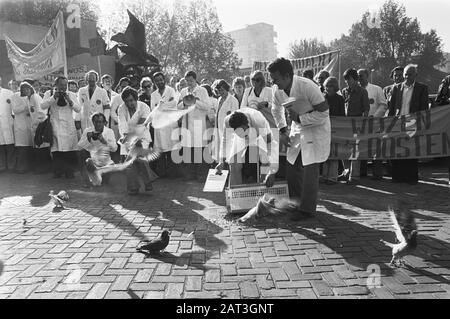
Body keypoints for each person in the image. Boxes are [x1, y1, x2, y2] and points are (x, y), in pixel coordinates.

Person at [269, 58, 331, 220]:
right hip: (296, 131)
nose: (273, 82)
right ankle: (295, 205)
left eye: (275, 78)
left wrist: (301, 118)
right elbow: (276, 110)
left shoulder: (308, 86)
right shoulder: (277, 91)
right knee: (292, 167)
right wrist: (282, 130)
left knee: (310, 170)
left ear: (287, 76)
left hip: (316, 130)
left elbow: (324, 113)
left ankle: (307, 210)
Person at [215, 108, 278, 187]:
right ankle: (235, 195)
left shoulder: (259, 121)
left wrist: (272, 171)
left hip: (258, 134)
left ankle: (263, 191)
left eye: (244, 130)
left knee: (266, 162)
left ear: (247, 124)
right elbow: (225, 141)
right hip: (240, 139)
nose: (244, 133)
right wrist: (221, 161)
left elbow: (271, 144)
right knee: (234, 163)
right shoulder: (228, 121)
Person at [388, 64, 429, 184]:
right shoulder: (396, 88)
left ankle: (411, 177)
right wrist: (390, 122)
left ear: (416, 75)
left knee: (411, 150)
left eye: (409, 74)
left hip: (412, 122)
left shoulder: (422, 88)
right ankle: (397, 177)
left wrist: (421, 124)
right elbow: (392, 108)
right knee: (397, 149)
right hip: (397, 122)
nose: (406, 76)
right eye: (405, 74)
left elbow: (424, 108)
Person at [41, 76, 81, 178]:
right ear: (56, 85)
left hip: (68, 126)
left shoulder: (71, 94)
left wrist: (69, 101)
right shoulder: (49, 93)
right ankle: (58, 172)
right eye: (61, 85)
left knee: (69, 150)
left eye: (65, 85)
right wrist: (53, 98)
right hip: (56, 125)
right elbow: (42, 106)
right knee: (57, 150)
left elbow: (78, 109)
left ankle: (69, 172)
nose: (63, 87)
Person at [117, 86, 153, 194]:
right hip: (127, 136)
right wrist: (127, 137)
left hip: (142, 136)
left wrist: (135, 139)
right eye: (127, 101)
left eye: (132, 100)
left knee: (139, 156)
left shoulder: (144, 107)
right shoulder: (121, 108)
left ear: (136, 98)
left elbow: (142, 125)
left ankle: (148, 183)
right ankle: (133, 187)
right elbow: (122, 124)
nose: (130, 103)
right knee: (129, 161)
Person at [145, 72, 180, 178]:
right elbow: (153, 109)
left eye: (161, 79)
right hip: (159, 125)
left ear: (164, 79)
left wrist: (160, 106)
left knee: (171, 149)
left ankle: (172, 173)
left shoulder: (171, 90)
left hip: (170, 124)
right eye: (157, 81)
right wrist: (161, 106)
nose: (159, 82)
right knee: (160, 149)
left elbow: (173, 104)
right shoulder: (153, 95)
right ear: (154, 82)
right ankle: (162, 173)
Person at [177, 71, 211, 181]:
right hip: (186, 123)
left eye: (191, 80)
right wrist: (185, 102)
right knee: (188, 149)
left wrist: (195, 101)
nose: (189, 83)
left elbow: (207, 107)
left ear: (195, 80)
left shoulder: (202, 90)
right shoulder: (183, 91)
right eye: (187, 81)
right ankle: (190, 174)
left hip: (198, 124)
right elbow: (178, 107)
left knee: (199, 149)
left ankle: (201, 174)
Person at [341, 68, 370, 184]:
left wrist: (363, 123)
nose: (347, 81)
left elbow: (366, 109)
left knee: (355, 150)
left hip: (357, 124)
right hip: (345, 124)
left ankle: (354, 176)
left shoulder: (363, 91)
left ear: (356, 79)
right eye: (346, 80)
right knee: (344, 150)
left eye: (349, 79)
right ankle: (346, 172)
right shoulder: (344, 91)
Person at [358, 68, 388, 180]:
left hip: (375, 124)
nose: (359, 77)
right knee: (361, 149)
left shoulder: (376, 89)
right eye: (358, 75)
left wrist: (374, 117)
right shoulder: (354, 89)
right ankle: (361, 173)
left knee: (376, 150)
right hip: (360, 125)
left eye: (361, 75)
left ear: (367, 75)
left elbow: (383, 105)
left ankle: (377, 174)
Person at [78, 112, 117, 187]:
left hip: (106, 162)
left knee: (104, 182)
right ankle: (87, 179)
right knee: (82, 154)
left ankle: (100, 178)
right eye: (95, 122)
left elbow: (114, 149)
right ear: (93, 122)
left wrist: (105, 141)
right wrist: (88, 139)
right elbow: (79, 147)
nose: (97, 124)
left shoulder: (109, 131)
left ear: (104, 122)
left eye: (100, 122)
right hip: (92, 161)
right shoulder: (87, 131)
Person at [11, 82, 42, 173]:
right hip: (21, 125)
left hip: (31, 124)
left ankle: (31, 167)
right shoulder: (16, 95)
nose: (26, 90)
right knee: (22, 148)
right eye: (23, 89)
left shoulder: (34, 96)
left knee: (31, 147)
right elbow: (15, 110)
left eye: (28, 88)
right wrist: (26, 107)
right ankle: (21, 168)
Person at [321, 77, 345, 185]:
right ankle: (324, 176)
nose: (328, 88)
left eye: (331, 86)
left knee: (334, 153)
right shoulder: (321, 98)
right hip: (323, 129)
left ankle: (332, 177)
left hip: (336, 129)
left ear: (335, 87)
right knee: (325, 153)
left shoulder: (340, 99)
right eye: (327, 86)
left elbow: (342, 115)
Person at [211, 80, 239, 163]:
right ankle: (220, 173)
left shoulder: (233, 100)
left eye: (222, 89)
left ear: (227, 89)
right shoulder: (219, 99)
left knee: (228, 155)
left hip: (229, 132)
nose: (221, 92)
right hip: (219, 130)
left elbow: (235, 117)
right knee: (219, 155)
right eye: (219, 90)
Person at [0, 77, 15, 172]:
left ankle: (11, 165)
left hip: (8, 121)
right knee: (0, 146)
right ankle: (1, 166)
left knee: (10, 145)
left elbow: (14, 108)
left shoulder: (9, 93)